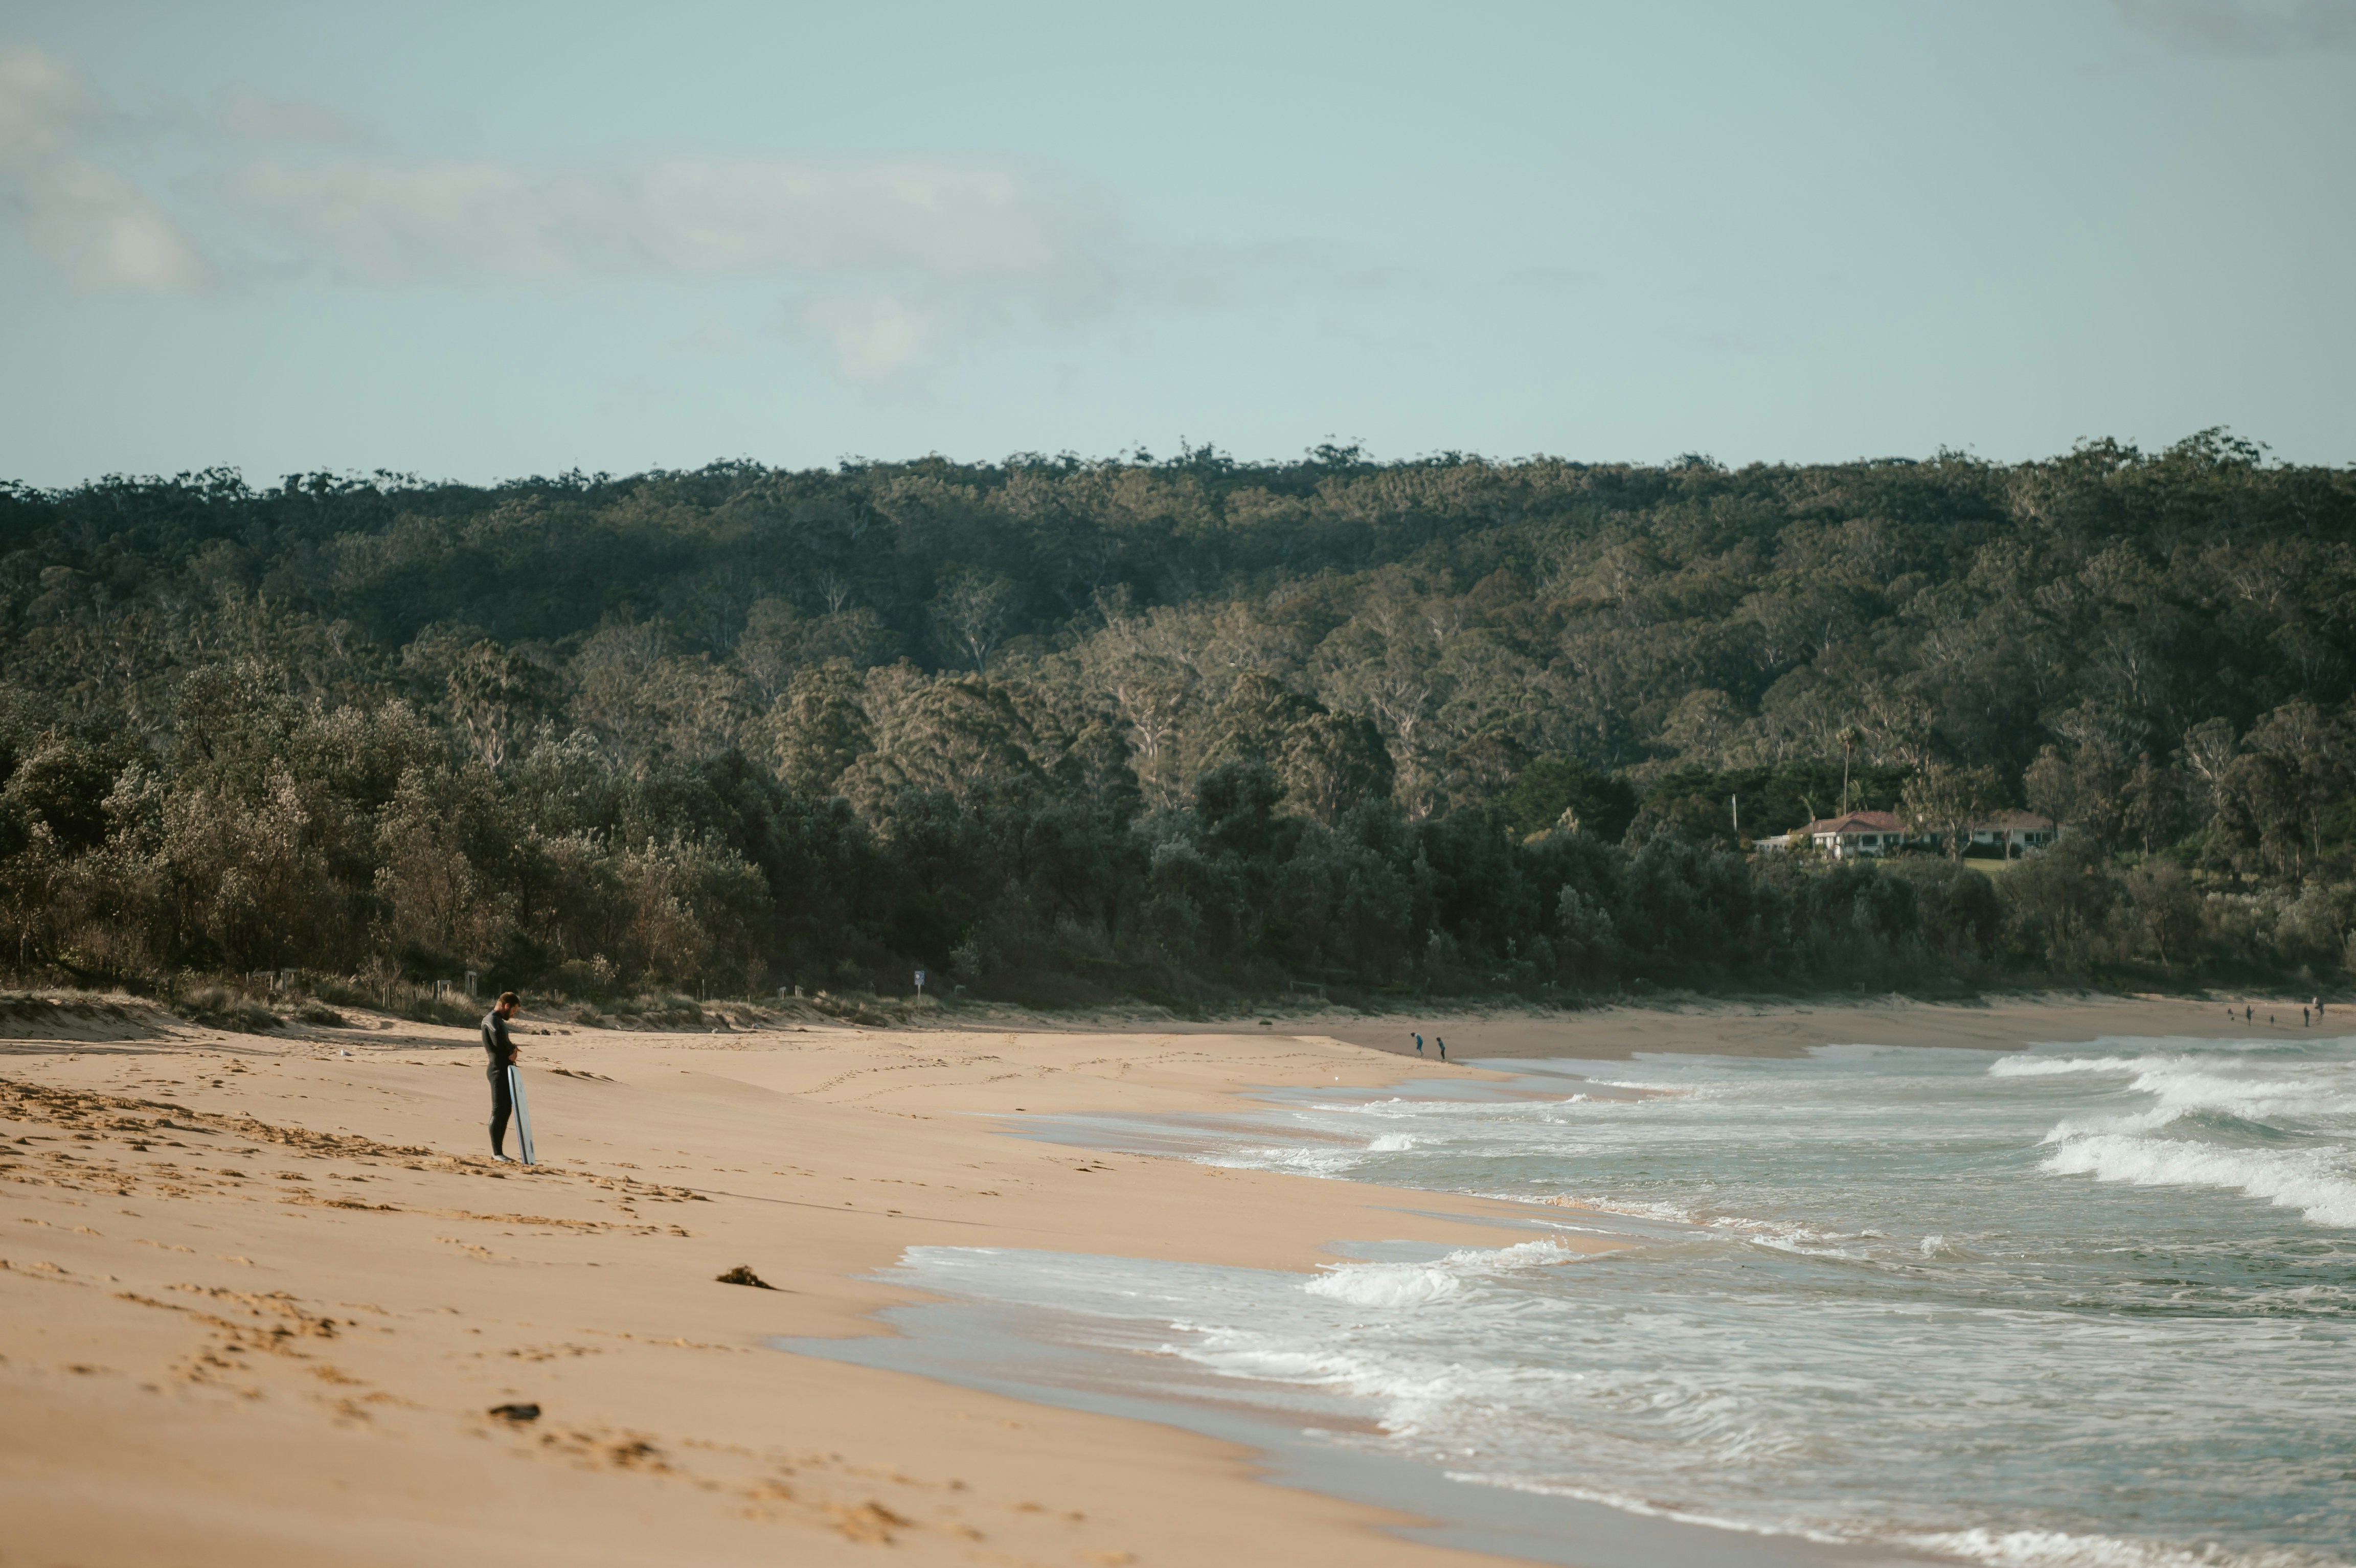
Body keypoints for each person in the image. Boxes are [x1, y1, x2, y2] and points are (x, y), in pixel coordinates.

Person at [481, 991, 521, 1160]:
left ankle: (499, 1152)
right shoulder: (491, 1020)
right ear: (506, 1006)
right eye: (513, 1010)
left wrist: (512, 1049)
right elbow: (498, 1040)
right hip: (497, 1072)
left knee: (505, 1110)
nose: (513, 1014)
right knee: (499, 1111)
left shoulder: (497, 1021)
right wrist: (512, 1048)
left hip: (504, 1071)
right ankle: (497, 1153)